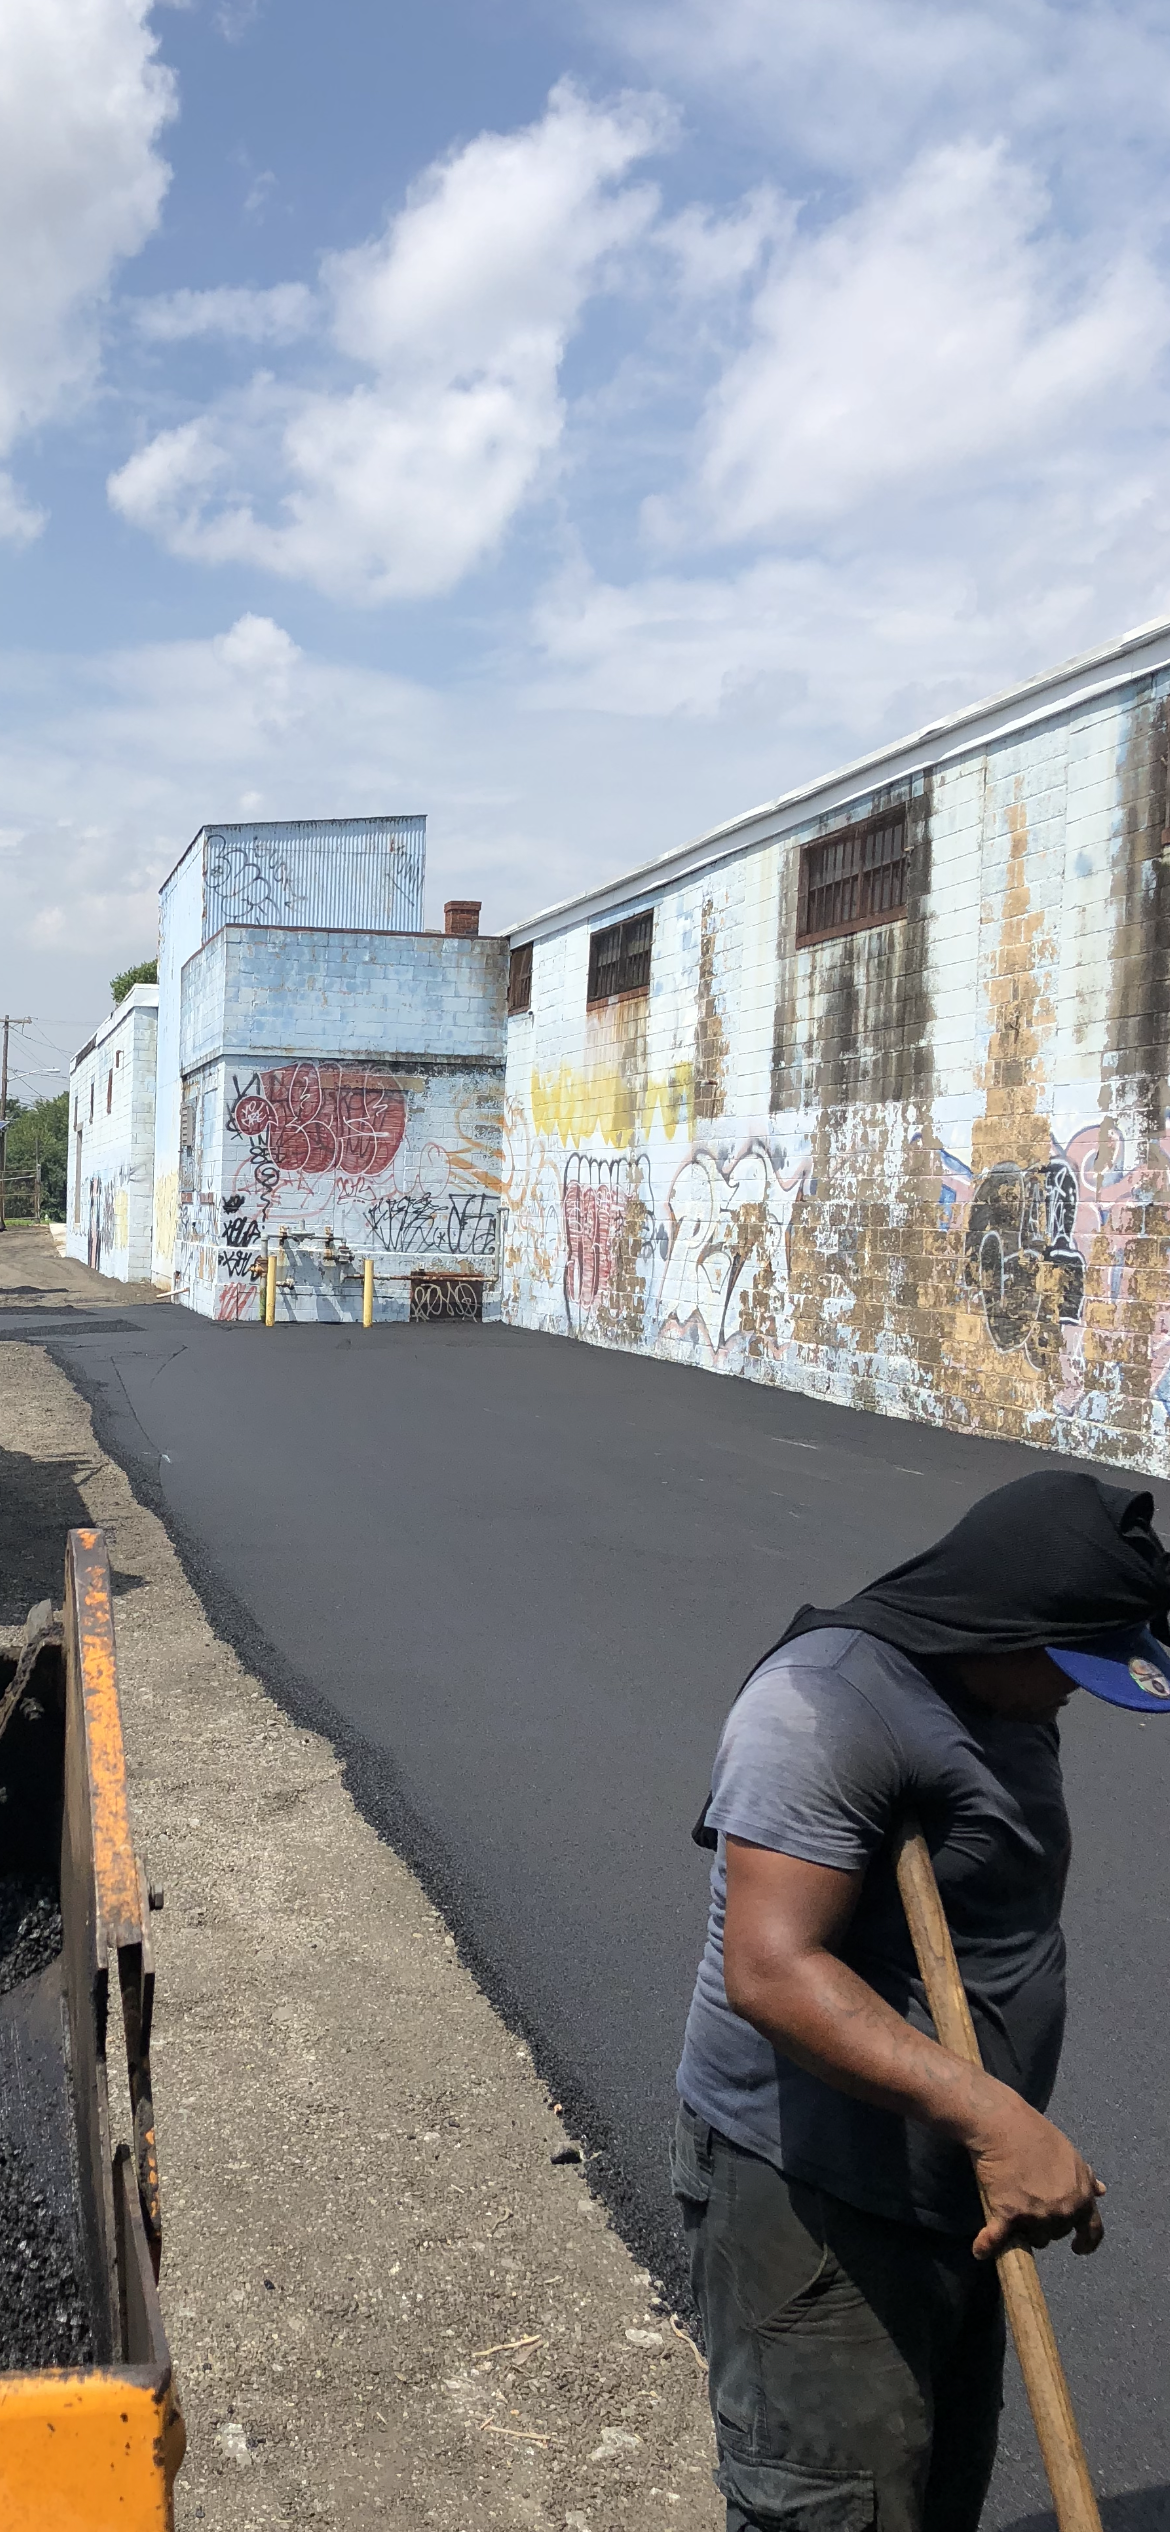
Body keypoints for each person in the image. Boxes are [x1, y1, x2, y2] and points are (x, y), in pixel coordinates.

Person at [675, 1469, 1170, 2532]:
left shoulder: (1005, 1693)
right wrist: (995, 2115)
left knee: (932, 2484)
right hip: (813, 2201)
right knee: (835, 2503)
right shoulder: (823, 1706)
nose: (1075, 1691)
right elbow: (769, 1968)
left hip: (953, 2194)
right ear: (1004, 1624)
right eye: (1069, 1663)